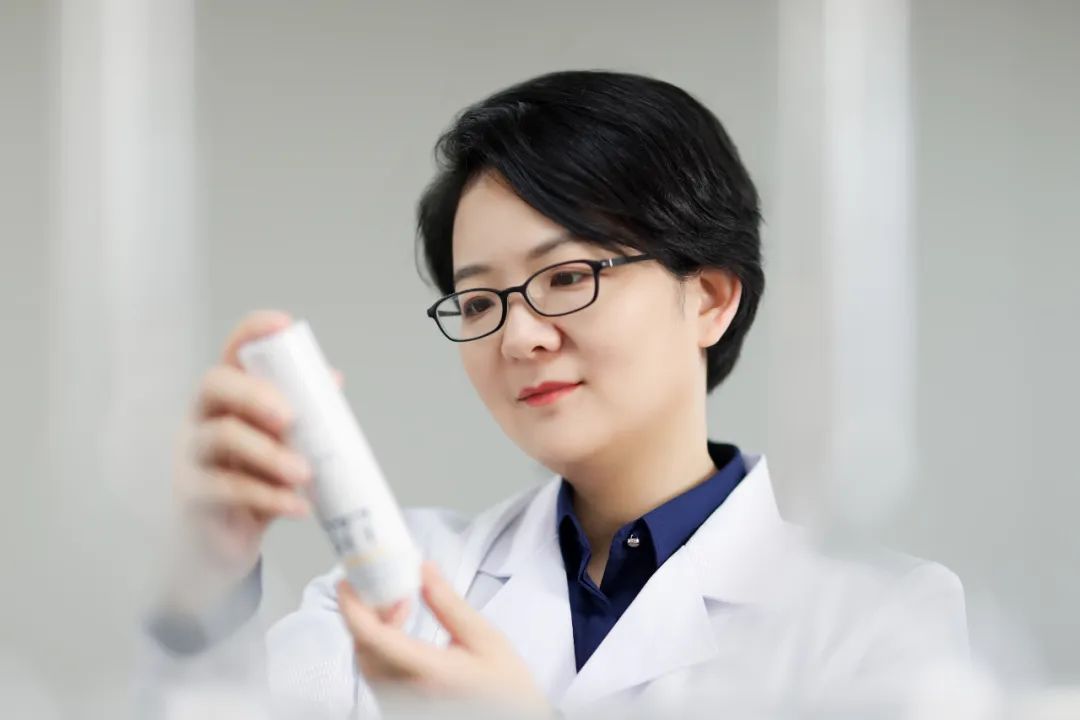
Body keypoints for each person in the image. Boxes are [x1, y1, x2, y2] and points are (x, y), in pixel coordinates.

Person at [144, 70, 968, 718]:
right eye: (478, 301)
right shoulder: (402, 576)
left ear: (711, 297)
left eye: (568, 277)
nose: (518, 336)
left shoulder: (879, 617)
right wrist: (208, 575)